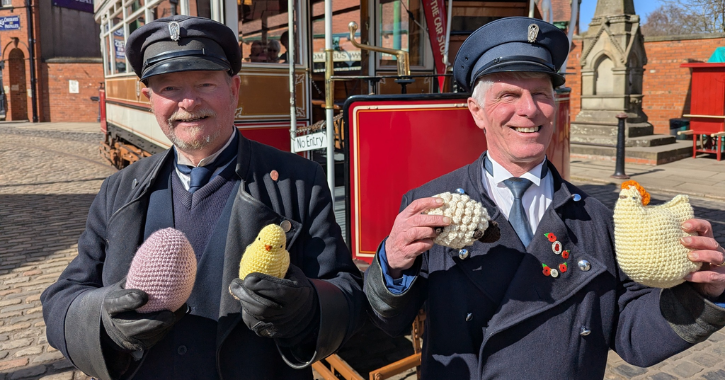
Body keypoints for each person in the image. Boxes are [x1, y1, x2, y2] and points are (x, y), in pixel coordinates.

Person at [363, 16, 725, 379]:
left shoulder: (597, 219)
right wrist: (392, 263)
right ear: (477, 112)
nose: (530, 110)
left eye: (540, 94)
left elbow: (632, 336)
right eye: (509, 95)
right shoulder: (430, 203)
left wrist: (705, 294)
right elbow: (389, 321)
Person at [41, 15, 365, 380]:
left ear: (235, 89)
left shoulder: (300, 182)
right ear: (150, 99)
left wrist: (305, 306)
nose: (189, 102)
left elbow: (349, 293)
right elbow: (61, 299)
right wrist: (103, 319)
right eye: (169, 88)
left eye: (205, 83)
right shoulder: (119, 191)